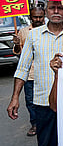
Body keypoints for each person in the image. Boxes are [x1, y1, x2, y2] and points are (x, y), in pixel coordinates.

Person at [7, 1, 63, 146]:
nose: (56, 12)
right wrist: (15, 98)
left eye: (60, 8)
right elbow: (23, 67)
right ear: (46, 11)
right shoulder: (34, 35)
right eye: (52, 8)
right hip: (44, 104)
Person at [12, 7, 46, 136]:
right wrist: (16, 43)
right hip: (30, 75)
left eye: (40, 17)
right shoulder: (24, 32)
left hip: (46, 73)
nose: (38, 19)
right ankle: (35, 124)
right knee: (30, 101)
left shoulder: (50, 31)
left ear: (44, 16)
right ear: (31, 17)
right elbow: (18, 52)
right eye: (35, 17)